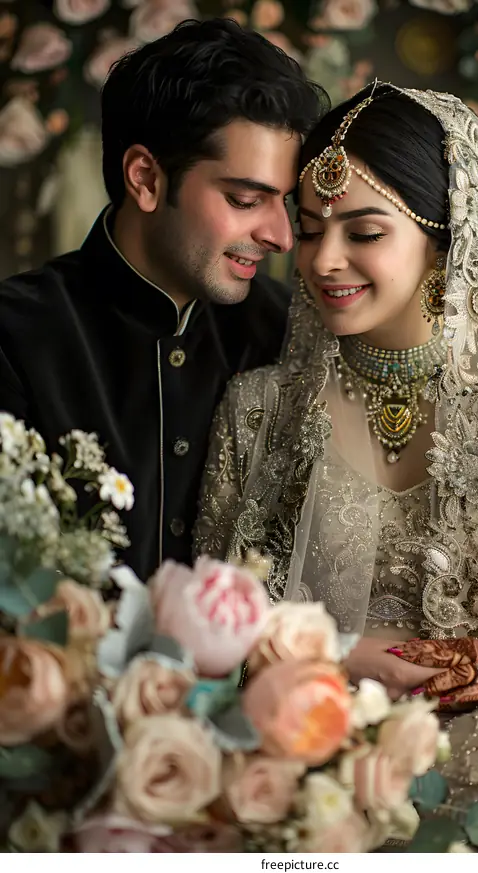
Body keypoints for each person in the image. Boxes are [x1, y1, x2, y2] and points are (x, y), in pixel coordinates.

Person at [195, 82, 478, 851]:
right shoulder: (258, 413)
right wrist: (330, 657)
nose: (324, 260)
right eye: (310, 230)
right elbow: (202, 644)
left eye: (365, 230)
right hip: (306, 786)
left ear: (445, 237)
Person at [0, 18, 328, 581]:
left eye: (287, 204)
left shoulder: (289, 332)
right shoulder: (14, 336)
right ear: (146, 178)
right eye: (247, 199)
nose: (281, 235)